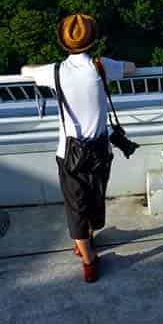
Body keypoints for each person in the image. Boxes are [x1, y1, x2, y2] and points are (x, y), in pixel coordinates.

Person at [22, 14, 135, 283]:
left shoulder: (55, 72)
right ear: (93, 40)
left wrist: (40, 66)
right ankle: (89, 239)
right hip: (99, 149)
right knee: (95, 197)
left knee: (75, 206)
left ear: (63, 42)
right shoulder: (101, 66)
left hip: (69, 152)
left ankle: (88, 260)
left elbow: (25, 70)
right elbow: (131, 67)